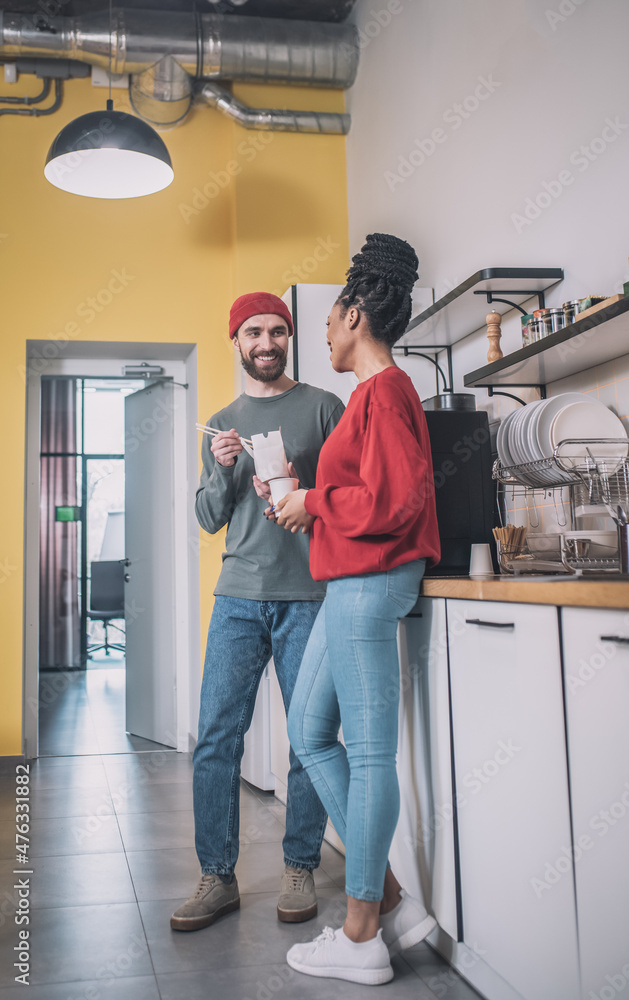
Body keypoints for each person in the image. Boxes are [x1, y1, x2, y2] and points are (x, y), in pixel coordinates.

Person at [269, 234, 441, 985]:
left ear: (355, 314)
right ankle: (395, 899)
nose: (325, 336)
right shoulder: (371, 396)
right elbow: (372, 494)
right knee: (309, 731)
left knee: (366, 753)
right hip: (348, 580)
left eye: (330, 322)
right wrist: (302, 501)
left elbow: (397, 501)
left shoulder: (386, 390)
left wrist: (311, 499)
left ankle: (363, 929)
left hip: (371, 580)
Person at [170, 292, 344, 932]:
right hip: (239, 598)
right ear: (236, 341)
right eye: (252, 332)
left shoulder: (326, 407)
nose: (265, 342)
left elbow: (354, 493)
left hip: (309, 597)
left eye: (276, 330)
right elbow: (210, 519)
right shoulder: (221, 422)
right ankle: (217, 877)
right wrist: (221, 470)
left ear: (289, 337)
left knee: (309, 739)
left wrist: (309, 490)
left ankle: (299, 862)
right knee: (216, 739)